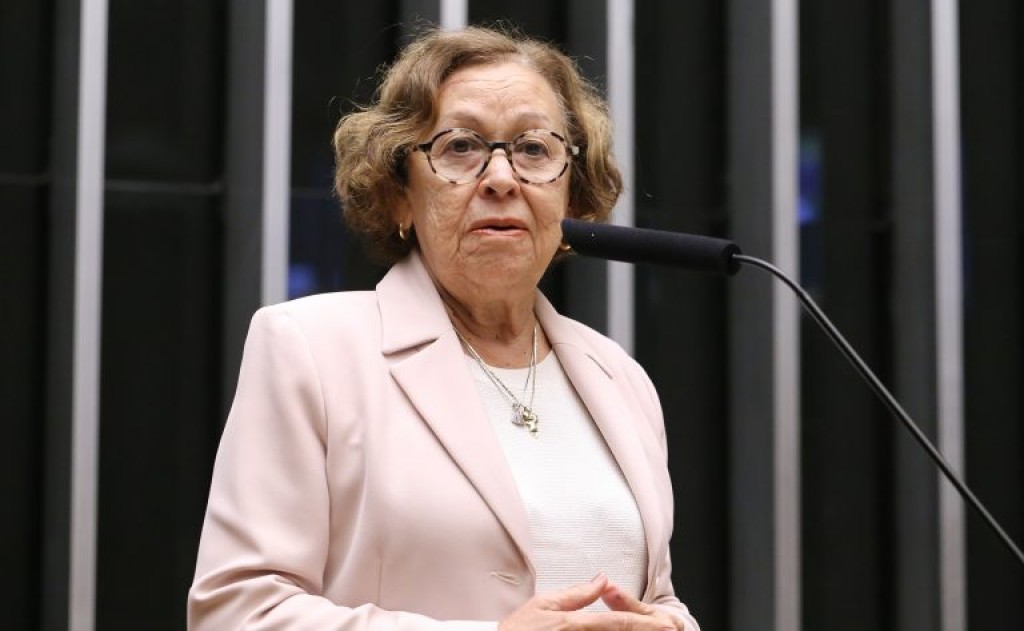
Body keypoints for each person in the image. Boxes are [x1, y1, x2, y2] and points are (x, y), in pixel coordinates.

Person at [188, 25, 700, 631]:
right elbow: (238, 611)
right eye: (460, 147)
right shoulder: (311, 349)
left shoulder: (618, 376)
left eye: (535, 149)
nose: (502, 178)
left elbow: (658, 599)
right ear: (399, 195)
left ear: (571, 194)